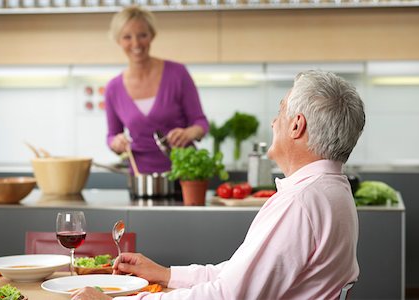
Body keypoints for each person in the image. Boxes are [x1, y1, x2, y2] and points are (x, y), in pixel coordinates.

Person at [71, 70, 365, 300]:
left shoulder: (300, 203)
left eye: (281, 110)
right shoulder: (333, 189)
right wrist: (166, 274)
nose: (275, 122)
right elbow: (240, 276)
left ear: (296, 126)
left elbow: (229, 294)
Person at [105, 6, 209, 174]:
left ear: (152, 35)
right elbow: (111, 135)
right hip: (141, 178)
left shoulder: (177, 74)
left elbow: (201, 123)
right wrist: (115, 143)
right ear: (118, 40)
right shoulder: (113, 88)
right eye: (127, 37)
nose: (136, 43)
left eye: (142, 35)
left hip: (184, 173)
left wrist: (189, 133)